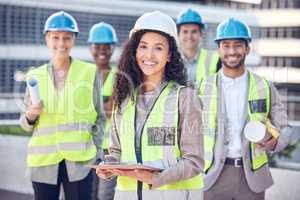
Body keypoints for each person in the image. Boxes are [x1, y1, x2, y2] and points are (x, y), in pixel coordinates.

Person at [96, 11, 204, 200]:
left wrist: (157, 177)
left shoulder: (185, 97)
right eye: (143, 47)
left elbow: (194, 161)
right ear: (134, 51)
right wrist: (109, 166)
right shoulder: (123, 97)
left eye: (159, 48)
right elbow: (116, 150)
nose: (149, 55)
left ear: (169, 55)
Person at [199, 17, 291, 200]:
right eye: (226, 45)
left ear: (247, 49)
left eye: (238, 45)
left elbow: (285, 128)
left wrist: (275, 143)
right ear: (219, 49)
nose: (232, 51)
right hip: (212, 176)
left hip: (252, 179)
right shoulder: (203, 87)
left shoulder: (264, 86)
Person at [19, 11, 105, 200]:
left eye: (67, 38)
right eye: (55, 37)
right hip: (43, 162)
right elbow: (24, 124)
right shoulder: (34, 76)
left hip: (80, 162)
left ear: (73, 40)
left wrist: (97, 153)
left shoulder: (89, 72)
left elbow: (100, 116)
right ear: (47, 40)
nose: (61, 43)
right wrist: (31, 116)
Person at [88, 22, 118, 200]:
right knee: (85, 194)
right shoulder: (84, 74)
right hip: (86, 147)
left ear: (112, 48)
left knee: (104, 195)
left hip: (109, 149)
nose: (102, 51)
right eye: (97, 46)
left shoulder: (119, 76)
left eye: (107, 46)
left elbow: (111, 112)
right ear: (90, 47)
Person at [177, 8, 220, 87]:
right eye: (185, 31)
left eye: (194, 31)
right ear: (178, 34)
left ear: (201, 34)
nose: (189, 36)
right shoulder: (169, 59)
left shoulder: (215, 59)